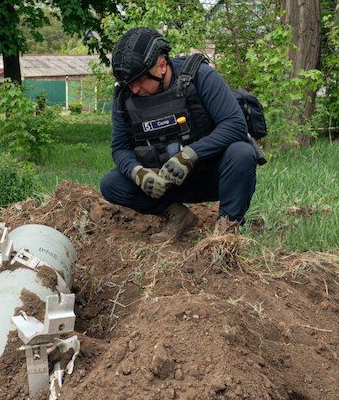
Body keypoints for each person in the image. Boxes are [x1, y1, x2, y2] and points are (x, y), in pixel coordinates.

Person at [100, 27, 265, 242]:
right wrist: (138, 173)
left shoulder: (200, 76)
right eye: (129, 83)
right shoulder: (124, 97)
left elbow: (235, 124)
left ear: (161, 66)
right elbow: (120, 148)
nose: (135, 90)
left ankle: (226, 232)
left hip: (211, 176)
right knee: (111, 183)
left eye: (139, 81)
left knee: (242, 153)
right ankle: (177, 215)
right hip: (166, 184)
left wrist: (189, 155)